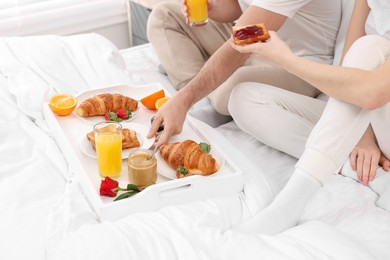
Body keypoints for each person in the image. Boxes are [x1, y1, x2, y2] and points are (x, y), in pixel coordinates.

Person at [229, 0, 390, 235]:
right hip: (373, 114)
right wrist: (362, 137)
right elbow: (350, 65)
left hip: (374, 100)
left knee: (369, 46)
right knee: (243, 97)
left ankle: (290, 204)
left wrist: (287, 60)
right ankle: (356, 168)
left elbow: (372, 92)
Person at [147, 0, 342, 141]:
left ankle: (199, 87)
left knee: (230, 90)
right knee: (163, 15)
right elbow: (240, 7)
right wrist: (212, 8)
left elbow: (240, 42)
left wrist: (183, 99)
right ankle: (200, 86)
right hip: (255, 45)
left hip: (296, 64)